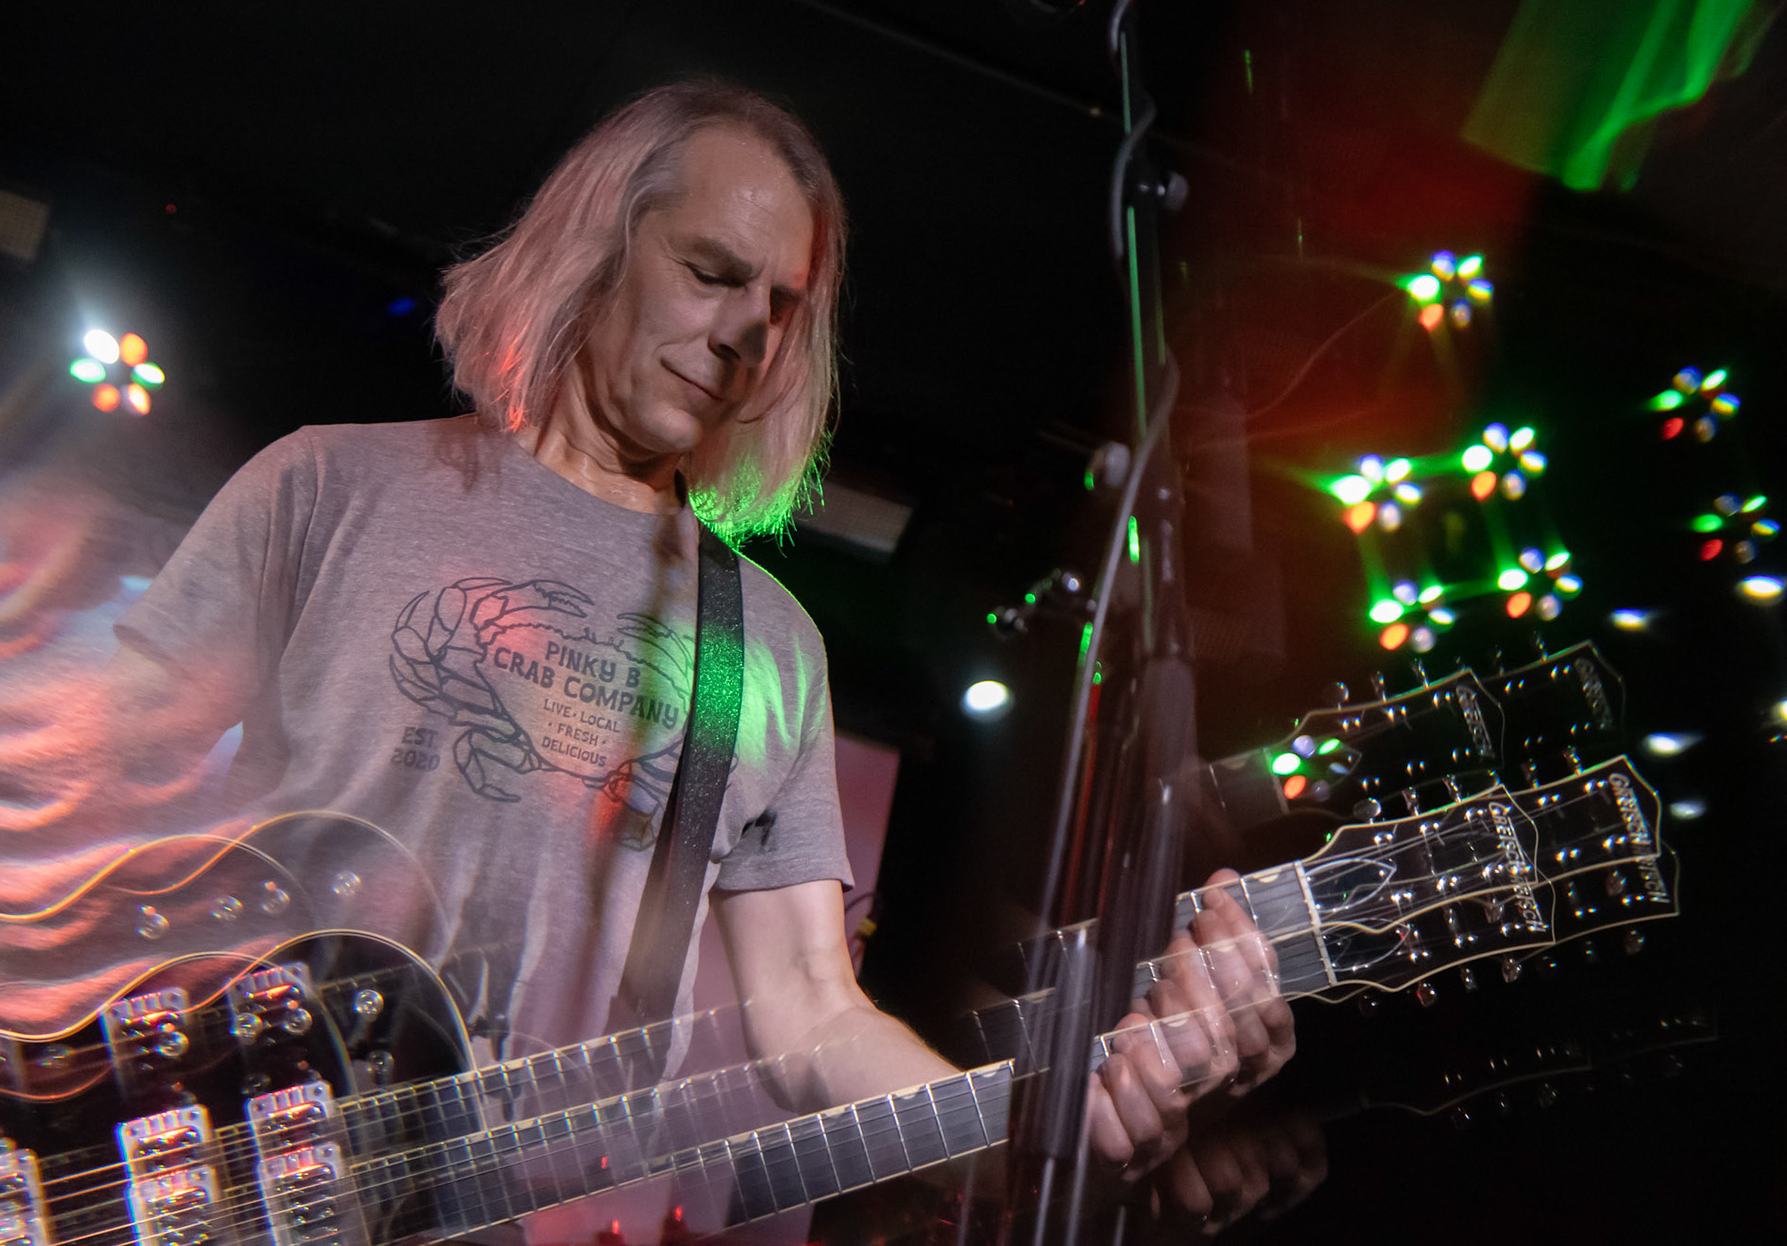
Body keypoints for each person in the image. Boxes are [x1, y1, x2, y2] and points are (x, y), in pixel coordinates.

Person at [97, 80, 1292, 1179]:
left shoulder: (763, 645)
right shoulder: (328, 485)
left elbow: (813, 1012)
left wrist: (1041, 1138)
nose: (745, 334)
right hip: (221, 1153)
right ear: (598, 250)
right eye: (711, 272)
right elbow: (93, 794)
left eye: (780, 307)